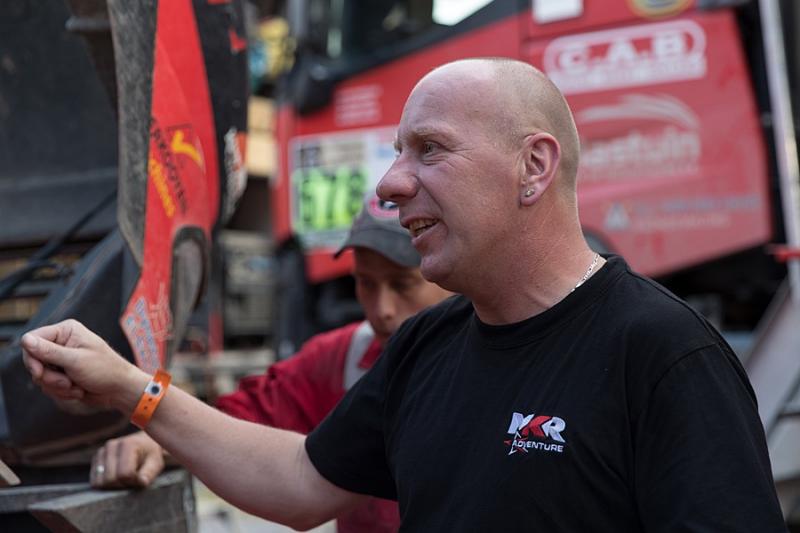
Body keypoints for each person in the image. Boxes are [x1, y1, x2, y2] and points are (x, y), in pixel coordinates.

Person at [22, 58, 786, 531]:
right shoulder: (427, 343)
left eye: (430, 149)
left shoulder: (661, 353)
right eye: (397, 153)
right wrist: (131, 389)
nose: (389, 184)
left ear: (534, 167)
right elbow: (299, 481)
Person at [87, 193, 452, 533]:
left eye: (403, 285)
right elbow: (233, 422)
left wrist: (138, 394)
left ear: (447, 273)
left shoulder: (479, 368)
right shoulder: (342, 358)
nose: (382, 309)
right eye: (366, 283)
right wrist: (155, 435)